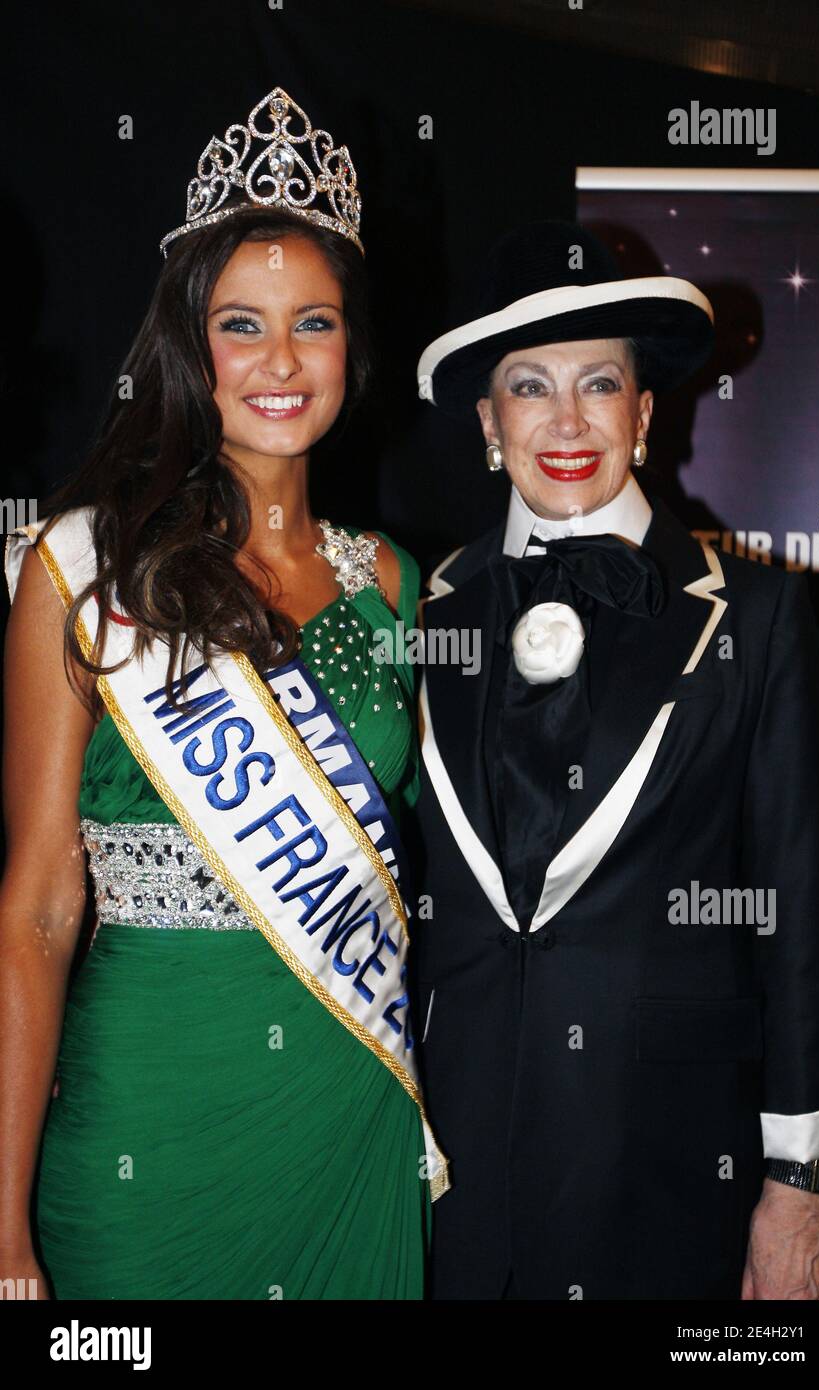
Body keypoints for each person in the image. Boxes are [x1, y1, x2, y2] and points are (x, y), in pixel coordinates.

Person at [0, 85, 446, 1302]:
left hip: (347, 1112)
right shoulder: (81, 570)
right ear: (188, 344)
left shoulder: (395, 583)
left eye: (315, 322)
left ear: (355, 344)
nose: (282, 361)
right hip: (147, 1108)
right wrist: (1, 1234)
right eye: (241, 324)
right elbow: (39, 909)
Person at [410, 219, 819, 1300]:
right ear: (487, 419)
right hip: (446, 1175)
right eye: (530, 386)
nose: (565, 421)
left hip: (666, 1174)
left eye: (598, 384)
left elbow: (803, 912)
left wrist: (802, 1184)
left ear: (644, 413)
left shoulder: (756, 611)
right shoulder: (420, 606)